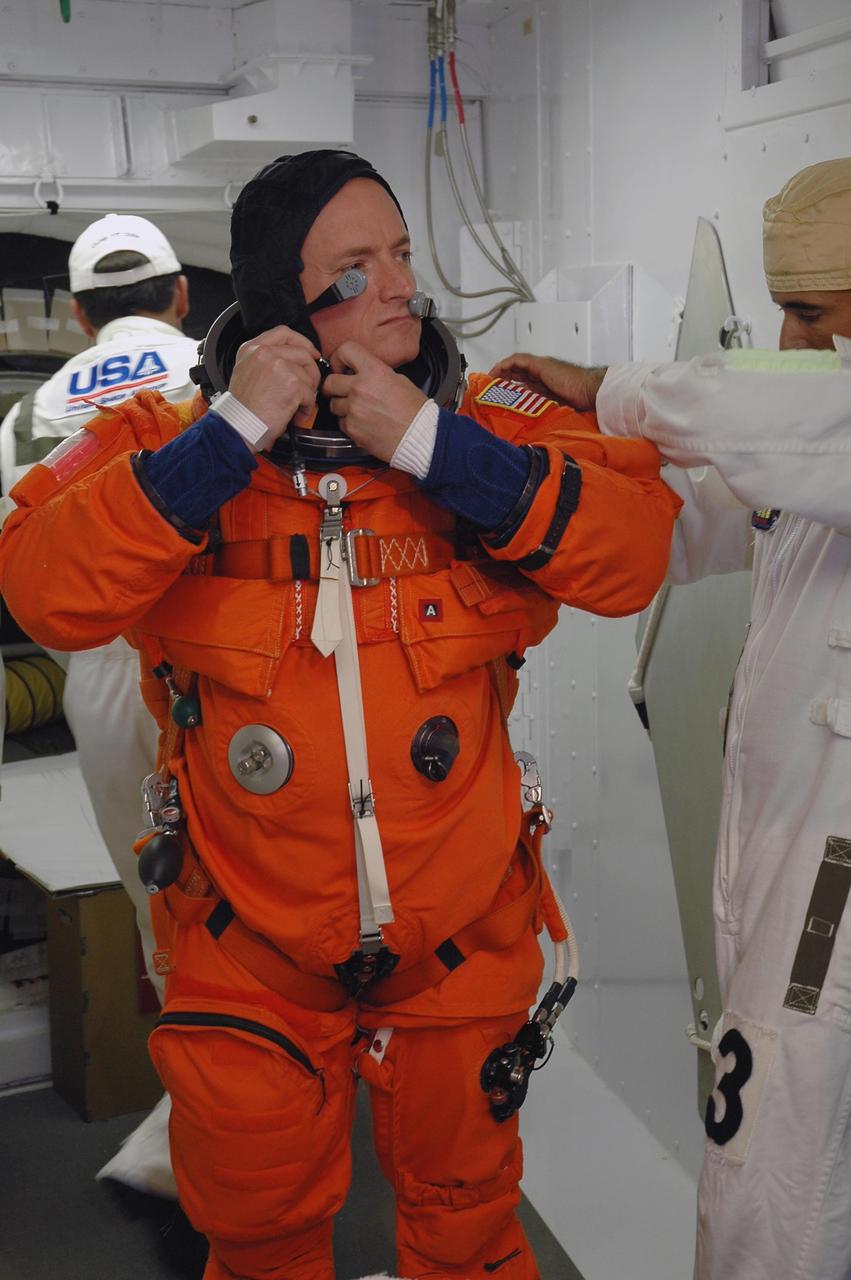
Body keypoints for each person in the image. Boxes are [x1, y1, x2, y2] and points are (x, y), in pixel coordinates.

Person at [0, 150, 680, 1280]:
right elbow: (41, 584)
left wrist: (430, 444)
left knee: (466, 1228)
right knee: (258, 1237)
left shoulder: (489, 421)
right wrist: (224, 440)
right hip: (249, 944)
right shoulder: (165, 436)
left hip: (456, 938)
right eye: (355, 267)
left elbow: (633, 545)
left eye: (403, 253)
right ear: (279, 304)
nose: (402, 285)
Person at [491, 156, 851, 1280]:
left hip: (833, 873)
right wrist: (507, 489)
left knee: (779, 1121)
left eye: (807, 312)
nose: (788, 340)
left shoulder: (824, 424)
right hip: (790, 838)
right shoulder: (813, 455)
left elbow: (756, 408)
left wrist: (596, 383)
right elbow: (690, 524)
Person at [0, 214, 198, 1196]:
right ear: (180, 293)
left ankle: (201, 1121)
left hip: (101, 683)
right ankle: (233, 1118)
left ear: (79, 315)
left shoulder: (29, 417)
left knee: (158, 906)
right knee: (266, 893)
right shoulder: (229, 372)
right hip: (223, 668)